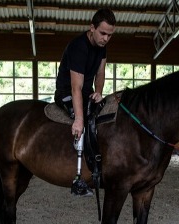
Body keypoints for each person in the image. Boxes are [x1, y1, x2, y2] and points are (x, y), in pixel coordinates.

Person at [54, 8, 116, 196]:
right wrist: (79, 119)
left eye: (110, 35)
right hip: (67, 92)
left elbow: (101, 72)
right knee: (85, 121)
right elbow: (75, 88)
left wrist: (98, 92)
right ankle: (79, 179)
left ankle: (100, 167)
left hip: (87, 92)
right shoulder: (78, 47)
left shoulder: (102, 47)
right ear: (92, 28)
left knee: (106, 116)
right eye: (103, 33)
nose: (106, 38)